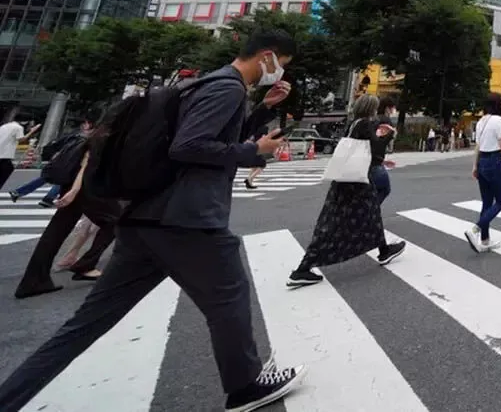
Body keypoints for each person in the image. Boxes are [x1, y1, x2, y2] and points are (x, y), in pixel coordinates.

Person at [0, 29, 305, 412]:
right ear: (266, 57)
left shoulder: (207, 84)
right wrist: (253, 151)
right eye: (280, 65)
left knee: (84, 325)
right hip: (187, 220)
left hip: (146, 218)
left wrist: (261, 110)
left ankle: (8, 398)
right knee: (229, 296)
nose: (277, 73)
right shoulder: (226, 88)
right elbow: (189, 147)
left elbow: (200, 136)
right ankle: (245, 387)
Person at [288, 95, 407, 288]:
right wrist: (387, 136)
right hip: (356, 183)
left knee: (359, 216)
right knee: (340, 222)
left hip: (346, 181)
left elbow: (359, 152)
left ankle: (384, 250)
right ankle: (303, 268)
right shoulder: (365, 125)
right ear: (370, 109)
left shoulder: (354, 123)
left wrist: (380, 154)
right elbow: (375, 150)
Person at [14, 114, 115, 298]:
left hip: (77, 186)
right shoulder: (106, 136)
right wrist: (75, 191)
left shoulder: (96, 134)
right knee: (115, 221)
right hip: (84, 187)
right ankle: (85, 265)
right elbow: (87, 162)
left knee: (57, 229)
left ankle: (34, 280)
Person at [466, 93, 501, 253]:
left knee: (487, 202)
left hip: (482, 161)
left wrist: (475, 166)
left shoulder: (481, 121)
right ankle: (476, 229)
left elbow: (478, 146)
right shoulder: (499, 120)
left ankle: (485, 239)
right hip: (493, 161)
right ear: (497, 105)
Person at [0, 113, 39, 191]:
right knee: (7, 171)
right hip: (4, 155)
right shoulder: (18, 127)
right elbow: (21, 139)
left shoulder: (4, 126)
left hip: (2, 154)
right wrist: (32, 131)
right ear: (25, 121)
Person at [374, 97, 398, 204]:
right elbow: (384, 141)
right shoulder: (386, 121)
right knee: (384, 189)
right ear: (388, 108)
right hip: (376, 162)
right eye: (392, 108)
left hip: (368, 159)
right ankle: (371, 210)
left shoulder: (373, 118)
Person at [243, 124, 269, 189]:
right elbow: (264, 137)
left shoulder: (253, 127)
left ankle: (249, 182)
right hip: (259, 147)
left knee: (254, 166)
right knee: (262, 164)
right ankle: (249, 178)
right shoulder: (264, 127)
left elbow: (250, 138)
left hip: (252, 147)